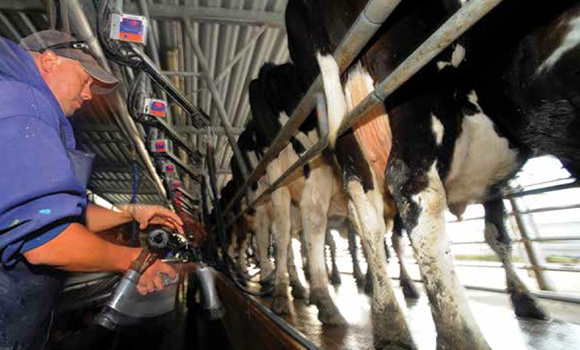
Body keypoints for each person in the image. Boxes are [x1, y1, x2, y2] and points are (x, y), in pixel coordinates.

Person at [0, 30, 183, 349]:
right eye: (85, 80)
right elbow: (47, 243)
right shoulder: (22, 104)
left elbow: (46, 213)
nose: (88, 94)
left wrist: (128, 212)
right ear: (49, 61)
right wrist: (134, 261)